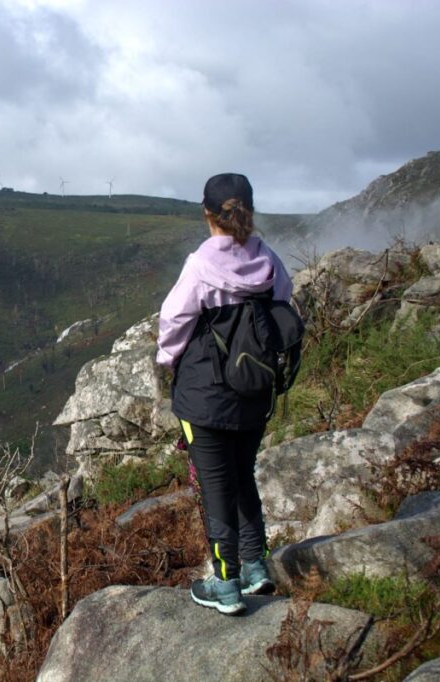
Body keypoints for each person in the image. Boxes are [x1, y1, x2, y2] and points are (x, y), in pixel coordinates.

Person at [156, 173, 293, 615]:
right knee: (242, 475)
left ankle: (225, 583)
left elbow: (174, 320)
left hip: (207, 397)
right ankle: (256, 566)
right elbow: (285, 302)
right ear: (249, 211)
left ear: (208, 215)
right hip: (254, 390)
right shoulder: (268, 260)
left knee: (216, 485)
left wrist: (167, 359)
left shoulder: (201, 265)